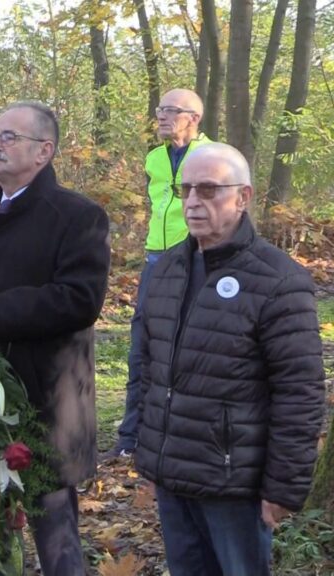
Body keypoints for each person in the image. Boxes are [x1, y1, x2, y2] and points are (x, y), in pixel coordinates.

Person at [134, 143, 325, 576]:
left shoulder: (278, 279)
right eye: (186, 191)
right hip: (173, 474)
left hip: (233, 481)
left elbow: (300, 392)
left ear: (243, 197)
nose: (193, 202)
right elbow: (149, 368)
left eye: (208, 190)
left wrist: (283, 487)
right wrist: (150, 455)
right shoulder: (166, 270)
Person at [0, 101, 110, 574]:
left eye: (9, 137)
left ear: (44, 151)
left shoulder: (77, 215)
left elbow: (79, 299)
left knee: (54, 531)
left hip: (47, 398)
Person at [108, 88, 211, 459]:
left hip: (197, 258)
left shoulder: (211, 156)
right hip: (156, 259)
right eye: (160, 110)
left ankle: (184, 434)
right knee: (142, 345)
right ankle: (131, 436)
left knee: (189, 344)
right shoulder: (154, 158)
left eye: (171, 111)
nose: (162, 117)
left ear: (193, 117)